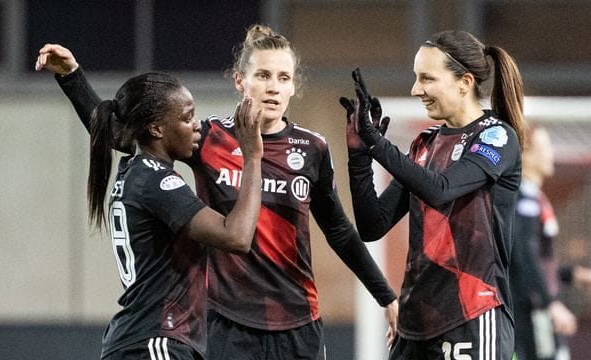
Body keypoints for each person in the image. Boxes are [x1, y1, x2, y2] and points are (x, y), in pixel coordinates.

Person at [36, 24, 398, 360]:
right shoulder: (207, 138)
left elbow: (337, 229)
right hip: (225, 321)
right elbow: (123, 135)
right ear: (240, 81)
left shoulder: (312, 148)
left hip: (297, 321)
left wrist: (386, 297)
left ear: (293, 87)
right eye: (263, 75)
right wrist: (72, 78)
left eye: (283, 77)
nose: (273, 86)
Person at [340, 30, 526, 359]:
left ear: (464, 82)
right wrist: (359, 156)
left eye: (427, 78)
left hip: (471, 316)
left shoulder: (497, 137)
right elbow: (373, 224)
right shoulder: (426, 143)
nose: (416, 90)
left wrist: (378, 144)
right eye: (416, 78)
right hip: (415, 323)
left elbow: (441, 190)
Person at [59, 70, 264, 359]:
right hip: (156, 341)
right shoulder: (158, 183)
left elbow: (114, 132)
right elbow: (237, 236)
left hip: (140, 340)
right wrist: (253, 157)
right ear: (156, 128)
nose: (197, 126)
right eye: (186, 117)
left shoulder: (136, 169)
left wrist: (71, 78)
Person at [510, 125, 591, 360]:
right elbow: (523, 254)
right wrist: (550, 303)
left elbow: (536, 259)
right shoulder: (522, 200)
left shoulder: (534, 198)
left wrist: (571, 274)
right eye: (545, 147)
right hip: (530, 309)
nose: (551, 153)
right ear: (526, 155)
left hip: (538, 307)